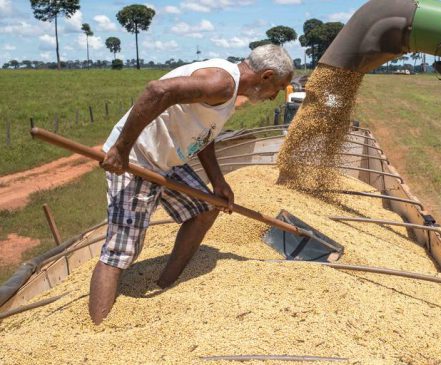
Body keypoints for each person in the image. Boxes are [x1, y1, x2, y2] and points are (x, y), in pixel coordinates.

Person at [90, 45, 294, 324]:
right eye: (278, 88)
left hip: (166, 159)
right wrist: (121, 150)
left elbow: (203, 135)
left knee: (205, 209)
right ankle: (97, 328)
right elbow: (156, 91)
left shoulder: (228, 90)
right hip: (137, 159)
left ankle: (166, 283)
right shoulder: (220, 83)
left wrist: (217, 182)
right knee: (121, 250)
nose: (274, 98)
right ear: (267, 76)